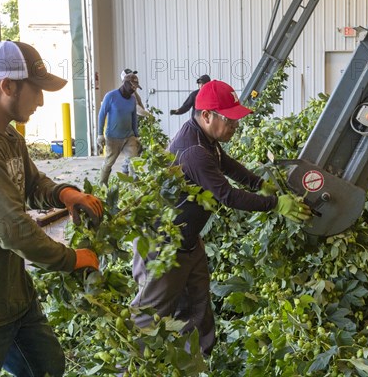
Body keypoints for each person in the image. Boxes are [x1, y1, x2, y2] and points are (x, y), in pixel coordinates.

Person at [0, 40, 104, 377]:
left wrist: (64, 194)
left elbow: (31, 184)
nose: (42, 100)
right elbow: (10, 227)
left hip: (14, 296)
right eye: (36, 90)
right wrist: (71, 258)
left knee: (46, 367)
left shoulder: (7, 136)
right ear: (7, 86)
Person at [131, 80, 311, 355]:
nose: (235, 127)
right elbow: (228, 196)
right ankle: (129, 371)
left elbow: (227, 164)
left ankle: (198, 364)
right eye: (230, 121)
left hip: (188, 242)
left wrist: (257, 183)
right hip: (163, 247)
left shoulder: (207, 140)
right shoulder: (194, 151)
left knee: (197, 308)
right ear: (207, 116)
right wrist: (275, 204)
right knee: (149, 319)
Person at [97, 72, 142, 185]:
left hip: (129, 137)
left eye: (135, 87)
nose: (134, 90)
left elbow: (133, 118)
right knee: (109, 162)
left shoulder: (132, 100)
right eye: (132, 86)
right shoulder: (111, 96)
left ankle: (134, 188)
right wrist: (100, 134)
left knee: (134, 162)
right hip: (113, 138)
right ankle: (102, 185)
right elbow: (102, 114)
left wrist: (136, 135)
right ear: (125, 83)